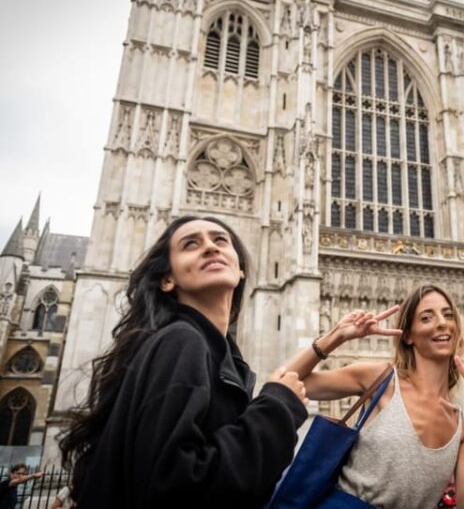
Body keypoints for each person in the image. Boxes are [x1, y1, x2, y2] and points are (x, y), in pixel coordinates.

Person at [58, 216, 308, 509]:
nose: (210, 248)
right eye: (191, 244)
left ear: (240, 269)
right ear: (167, 279)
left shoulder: (203, 346)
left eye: (220, 240)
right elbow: (172, 486)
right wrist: (277, 408)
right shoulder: (181, 341)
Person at [281, 283, 464, 509]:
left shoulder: (463, 425)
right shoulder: (381, 379)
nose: (442, 323)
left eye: (448, 315)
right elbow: (283, 382)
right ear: (408, 336)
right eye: (426, 318)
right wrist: (336, 336)